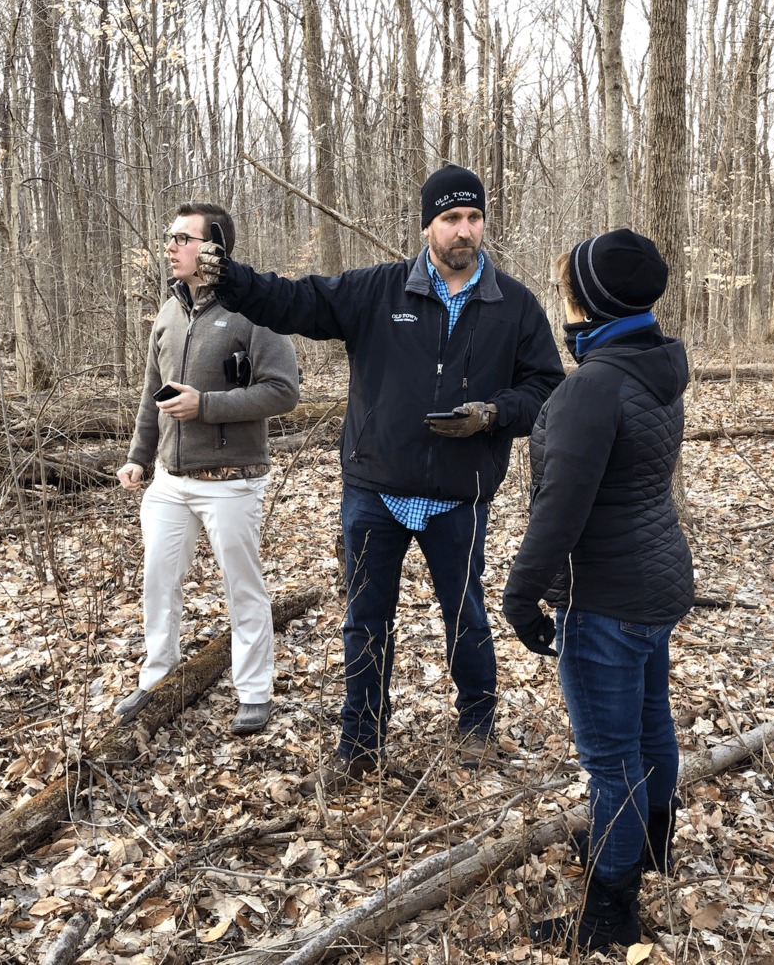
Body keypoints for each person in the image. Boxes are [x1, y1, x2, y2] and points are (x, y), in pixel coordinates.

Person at [196, 165, 565, 794]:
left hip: (459, 495)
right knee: (366, 618)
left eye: (473, 218)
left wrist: (494, 414)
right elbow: (296, 301)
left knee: (466, 615)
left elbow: (546, 390)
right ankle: (359, 741)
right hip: (376, 492)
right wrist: (231, 278)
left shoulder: (515, 307)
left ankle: (477, 724)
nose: (463, 231)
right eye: (450, 219)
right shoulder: (379, 291)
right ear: (426, 227)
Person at [502, 229, 693, 953]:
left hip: (607, 597)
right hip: (653, 579)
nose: (564, 303)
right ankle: (648, 845)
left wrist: (521, 597)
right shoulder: (654, 363)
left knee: (610, 758)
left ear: (592, 299)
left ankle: (610, 909)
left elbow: (561, 507)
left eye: (569, 290)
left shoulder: (594, 385)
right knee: (650, 726)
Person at [116, 202, 300, 734]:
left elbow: (284, 392)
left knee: (242, 586)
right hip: (170, 484)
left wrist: (208, 405)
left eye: (182, 238)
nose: (170, 246)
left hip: (232, 481)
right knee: (157, 582)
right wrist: (137, 458)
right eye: (168, 237)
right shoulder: (169, 311)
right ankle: (157, 680)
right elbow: (152, 396)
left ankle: (255, 691)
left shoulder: (255, 310)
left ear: (214, 246)